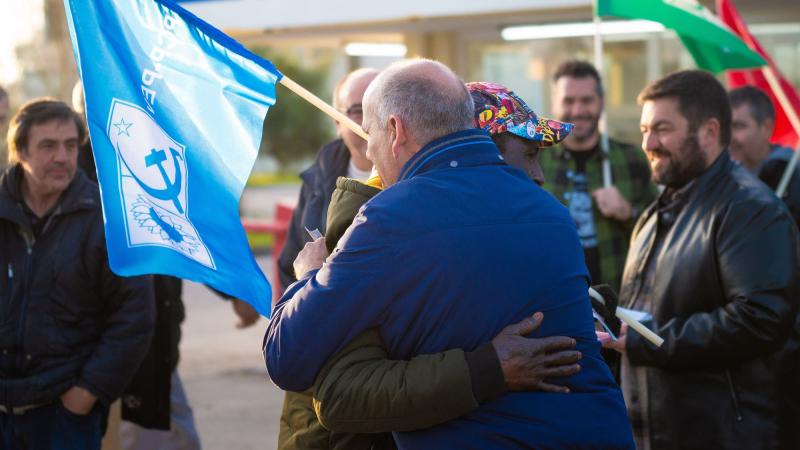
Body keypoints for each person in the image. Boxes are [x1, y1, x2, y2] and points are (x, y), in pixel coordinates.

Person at [264, 59, 634, 449]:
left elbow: (286, 358)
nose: (370, 153)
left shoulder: (391, 218)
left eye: (370, 134)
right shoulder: (552, 214)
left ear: (394, 130)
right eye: (529, 153)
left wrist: (308, 276)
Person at [598, 70, 800, 450]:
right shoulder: (657, 211)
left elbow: (761, 319)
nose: (648, 143)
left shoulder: (750, 209)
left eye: (662, 128)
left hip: (722, 434)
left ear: (709, 132)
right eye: (644, 129)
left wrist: (650, 340)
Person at [70, 80, 259, 450]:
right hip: (97, 349)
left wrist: (233, 288)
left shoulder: (149, 157)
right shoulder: (75, 174)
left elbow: (188, 224)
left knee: (173, 434)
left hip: (154, 344)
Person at [0, 98, 155, 449]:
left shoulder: (107, 221)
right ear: (20, 151)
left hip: (63, 417)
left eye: (71, 146)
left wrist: (88, 392)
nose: (62, 157)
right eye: (48, 146)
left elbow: (135, 318)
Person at [540, 60, 657, 292]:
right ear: (555, 102)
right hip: (553, 295)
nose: (578, 110)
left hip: (620, 298)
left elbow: (661, 236)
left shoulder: (632, 158)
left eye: (587, 100)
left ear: (601, 103)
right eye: (568, 100)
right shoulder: (535, 159)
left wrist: (628, 214)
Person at [277, 68, 378, 289]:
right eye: (359, 110)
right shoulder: (316, 182)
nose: (371, 120)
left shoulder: (414, 181)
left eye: (381, 106)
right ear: (337, 122)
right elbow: (290, 263)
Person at [729, 85, 800, 224]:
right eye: (726, 127)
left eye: (738, 126)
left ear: (767, 127)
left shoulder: (790, 176)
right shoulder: (722, 176)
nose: (729, 137)